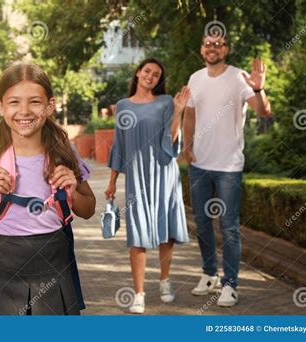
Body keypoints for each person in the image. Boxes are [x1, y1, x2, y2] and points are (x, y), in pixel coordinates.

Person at [0, 63, 96, 315]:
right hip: (3, 268)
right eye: (14, 102)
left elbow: (89, 209)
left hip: (54, 266)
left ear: (50, 106)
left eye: (35, 102)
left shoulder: (64, 151)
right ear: (0, 106)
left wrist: (72, 190)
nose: (24, 111)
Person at [183, 33, 271, 307]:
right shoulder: (195, 78)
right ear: (201, 48)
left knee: (229, 226)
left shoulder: (239, 77)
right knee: (202, 224)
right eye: (207, 43)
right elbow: (190, 113)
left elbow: (263, 112)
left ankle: (230, 285)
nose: (212, 47)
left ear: (226, 49)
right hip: (199, 164)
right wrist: (187, 144)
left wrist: (258, 89)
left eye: (217, 44)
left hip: (229, 166)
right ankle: (209, 274)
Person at [105, 58, 190, 314]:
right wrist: (111, 183)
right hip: (137, 177)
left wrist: (178, 110)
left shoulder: (165, 102)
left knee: (167, 232)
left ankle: (164, 281)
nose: (150, 76)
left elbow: (171, 139)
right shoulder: (122, 106)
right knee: (137, 235)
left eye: (156, 74)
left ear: (158, 80)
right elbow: (119, 145)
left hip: (164, 173)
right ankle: (139, 293)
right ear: (138, 73)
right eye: (147, 71)